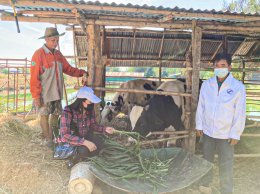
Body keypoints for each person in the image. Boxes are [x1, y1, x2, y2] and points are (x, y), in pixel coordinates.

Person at [196, 53, 246, 194]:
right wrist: (199, 125)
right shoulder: (207, 84)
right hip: (208, 131)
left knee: (226, 163)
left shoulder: (238, 87)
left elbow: (240, 112)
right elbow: (201, 106)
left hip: (226, 133)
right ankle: (205, 186)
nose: (219, 68)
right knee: (206, 160)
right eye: (217, 66)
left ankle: (226, 189)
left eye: (223, 65)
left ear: (229, 67)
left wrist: (236, 133)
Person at [30, 27, 88, 146]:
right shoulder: (38, 54)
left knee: (56, 115)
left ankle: (53, 135)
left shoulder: (58, 54)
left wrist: (82, 72)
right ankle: (48, 139)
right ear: (46, 39)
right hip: (45, 93)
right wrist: (36, 96)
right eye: (53, 40)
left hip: (57, 92)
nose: (56, 43)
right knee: (44, 115)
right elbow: (34, 77)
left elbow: (68, 69)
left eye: (57, 40)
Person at [60, 86, 115, 168]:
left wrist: (105, 129)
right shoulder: (68, 111)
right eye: (90, 101)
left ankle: (88, 157)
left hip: (85, 137)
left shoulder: (89, 110)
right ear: (82, 100)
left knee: (101, 142)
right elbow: (65, 135)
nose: (92, 104)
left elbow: (93, 125)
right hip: (72, 142)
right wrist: (84, 142)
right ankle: (75, 159)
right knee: (84, 150)